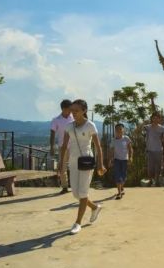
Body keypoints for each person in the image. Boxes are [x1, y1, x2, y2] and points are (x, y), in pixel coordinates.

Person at [59, 99, 106, 235]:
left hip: (86, 162)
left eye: (76, 111)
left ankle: (77, 223)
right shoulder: (69, 126)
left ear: (84, 111)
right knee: (75, 194)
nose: (73, 113)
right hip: (73, 162)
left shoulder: (90, 126)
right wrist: (62, 164)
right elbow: (64, 146)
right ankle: (95, 207)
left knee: (83, 193)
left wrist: (101, 164)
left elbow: (98, 147)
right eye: (72, 110)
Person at [50, 99, 74, 194]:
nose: (71, 111)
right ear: (63, 109)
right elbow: (52, 134)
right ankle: (64, 187)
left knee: (74, 166)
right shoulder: (56, 120)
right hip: (62, 147)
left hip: (73, 146)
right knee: (62, 167)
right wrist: (52, 147)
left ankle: (74, 186)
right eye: (69, 109)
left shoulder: (73, 118)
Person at [109, 123, 132, 200]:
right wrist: (110, 160)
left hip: (125, 160)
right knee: (118, 176)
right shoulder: (113, 140)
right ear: (115, 131)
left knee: (124, 176)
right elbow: (112, 151)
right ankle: (119, 193)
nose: (118, 131)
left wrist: (131, 157)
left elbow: (130, 149)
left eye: (120, 129)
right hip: (117, 160)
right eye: (117, 130)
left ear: (123, 130)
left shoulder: (126, 139)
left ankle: (122, 187)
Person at [144, 113, 164, 186]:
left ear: (159, 119)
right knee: (150, 167)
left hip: (159, 150)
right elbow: (142, 133)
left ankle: (157, 181)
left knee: (158, 166)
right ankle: (150, 180)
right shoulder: (147, 127)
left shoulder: (162, 128)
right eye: (154, 118)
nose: (156, 119)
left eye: (157, 118)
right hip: (150, 150)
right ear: (151, 118)